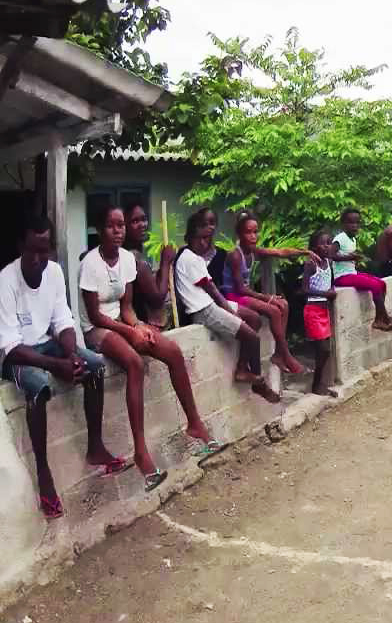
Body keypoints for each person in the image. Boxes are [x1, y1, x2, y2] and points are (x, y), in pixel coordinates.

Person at [81, 206, 218, 483]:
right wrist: (129, 332)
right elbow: (95, 315)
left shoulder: (128, 260)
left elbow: (127, 306)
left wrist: (138, 326)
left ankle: (194, 423)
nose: (118, 231)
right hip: (97, 329)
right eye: (111, 226)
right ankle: (141, 452)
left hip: (121, 321)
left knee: (172, 351)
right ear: (100, 229)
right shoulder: (90, 264)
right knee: (134, 363)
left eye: (121, 226)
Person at [0, 218, 126, 518]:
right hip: (16, 355)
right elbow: (11, 346)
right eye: (31, 251)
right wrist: (56, 365)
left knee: (93, 365)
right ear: (21, 247)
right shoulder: (5, 280)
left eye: (43, 251)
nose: (37, 259)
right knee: (38, 385)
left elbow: (63, 322)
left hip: (48, 344)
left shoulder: (54, 272)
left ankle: (95, 446)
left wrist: (71, 357)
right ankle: (44, 473)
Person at [174, 212, 280, 404]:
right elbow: (212, 289)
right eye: (202, 238)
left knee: (254, 318)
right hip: (203, 310)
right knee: (252, 337)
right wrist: (230, 311)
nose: (206, 243)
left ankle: (242, 367)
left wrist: (230, 308)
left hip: (212, 303)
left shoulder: (196, 257)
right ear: (191, 236)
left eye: (208, 238)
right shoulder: (189, 257)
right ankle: (256, 379)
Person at [222, 211, 313, 375]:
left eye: (255, 232)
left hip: (244, 295)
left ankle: (279, 354)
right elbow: (240, 289)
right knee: (273, 309)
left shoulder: (253, 251)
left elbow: (280, 252)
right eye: (248, 232)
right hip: (233, 296)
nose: (253, 236)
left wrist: (305, 252)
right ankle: (286, 355)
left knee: (283, 304)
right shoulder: (235, 255)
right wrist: (268, 298)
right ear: (239, 234)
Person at [332, 208, 392, 333]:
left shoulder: (352, 239)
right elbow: (331, 255)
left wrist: (355, 258)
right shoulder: (340, 238)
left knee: (381, 283)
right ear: (343, 224)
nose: (355, 226)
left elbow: (348, 257)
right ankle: (385, 319)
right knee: (375, 285)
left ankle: (379, 317)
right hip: (341, 277)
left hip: (351, 273)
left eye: (357, 223)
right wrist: (350, 257)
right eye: (351, 223)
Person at [121, 203, 176, 329]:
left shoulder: (126, 253)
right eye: (135, 221)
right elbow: (157, 299)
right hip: (142, 324)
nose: (142, 225)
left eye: (144, 219)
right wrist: (165, 262)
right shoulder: (135, 260)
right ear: (125, 227)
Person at [301, 230, 337, 396]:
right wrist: (325, 294)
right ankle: (316, 384)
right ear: (314, 246)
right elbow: (304, 290)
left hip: (324, 310)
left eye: (329, 242)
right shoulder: (310, 264)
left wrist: (331, 290)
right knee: (323, 349)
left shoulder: (329, 262)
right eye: (323, 243)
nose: (327, 246)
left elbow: (330, 283)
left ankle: (319, 384)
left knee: (324, 350)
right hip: (313, 310)